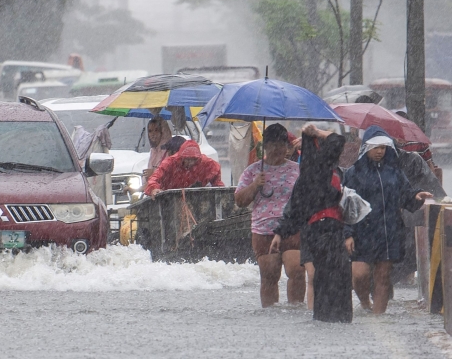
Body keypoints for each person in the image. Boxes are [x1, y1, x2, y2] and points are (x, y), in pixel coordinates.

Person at [343, 126, 431, 314]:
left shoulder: (394, 173)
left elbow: (406, 195)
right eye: (375, 147)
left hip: (389, 232)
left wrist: (416, 196)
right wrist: (347, 234)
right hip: (362, 234)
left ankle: (378, 317)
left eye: (383, 147)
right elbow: (346, 207)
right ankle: (365, 303)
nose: (379, 151)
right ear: (366, 147)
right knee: (359, 275)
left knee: (383, 277)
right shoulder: (353, 174)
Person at [272, 124, 351, 323]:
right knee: (334, 278)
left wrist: (280, 233)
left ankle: (325, 317)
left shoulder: (313, 174)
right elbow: (337, 140)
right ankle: (337, 318)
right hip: (325, 232)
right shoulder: (320, 167)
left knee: (325, 278)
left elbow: (294, 211)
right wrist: (317, 132)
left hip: (323, 232)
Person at [234, 124, 303, 307]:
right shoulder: (252, 171)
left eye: (281, 145)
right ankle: (270, 315)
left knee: (297, 270)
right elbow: (240, 201)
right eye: (272, 145)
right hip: (263, 230)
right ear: (265, 146)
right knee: (269, 275)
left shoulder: (298, 170)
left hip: (292, 229)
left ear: (287, 147)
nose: (276, 149)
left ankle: (296, 310)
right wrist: (255, 185)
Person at [144, 139, 223, 197]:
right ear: (181, 157)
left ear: (198, 159)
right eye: (187, 159)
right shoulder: (169, 163)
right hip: (170, 200)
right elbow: (154, 179)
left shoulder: (207, 164)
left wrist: (220, 189)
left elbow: (217, 181)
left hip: (197, 200)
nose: (190, 162)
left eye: (193, 159)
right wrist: (154, 189)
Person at [144, 116, 173, 181]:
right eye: (150, 131)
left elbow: (169, 173)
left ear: (162, 131)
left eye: (156, 130)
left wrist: (153, 173)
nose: (153, 134)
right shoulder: (153, 151)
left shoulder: (169, 150)